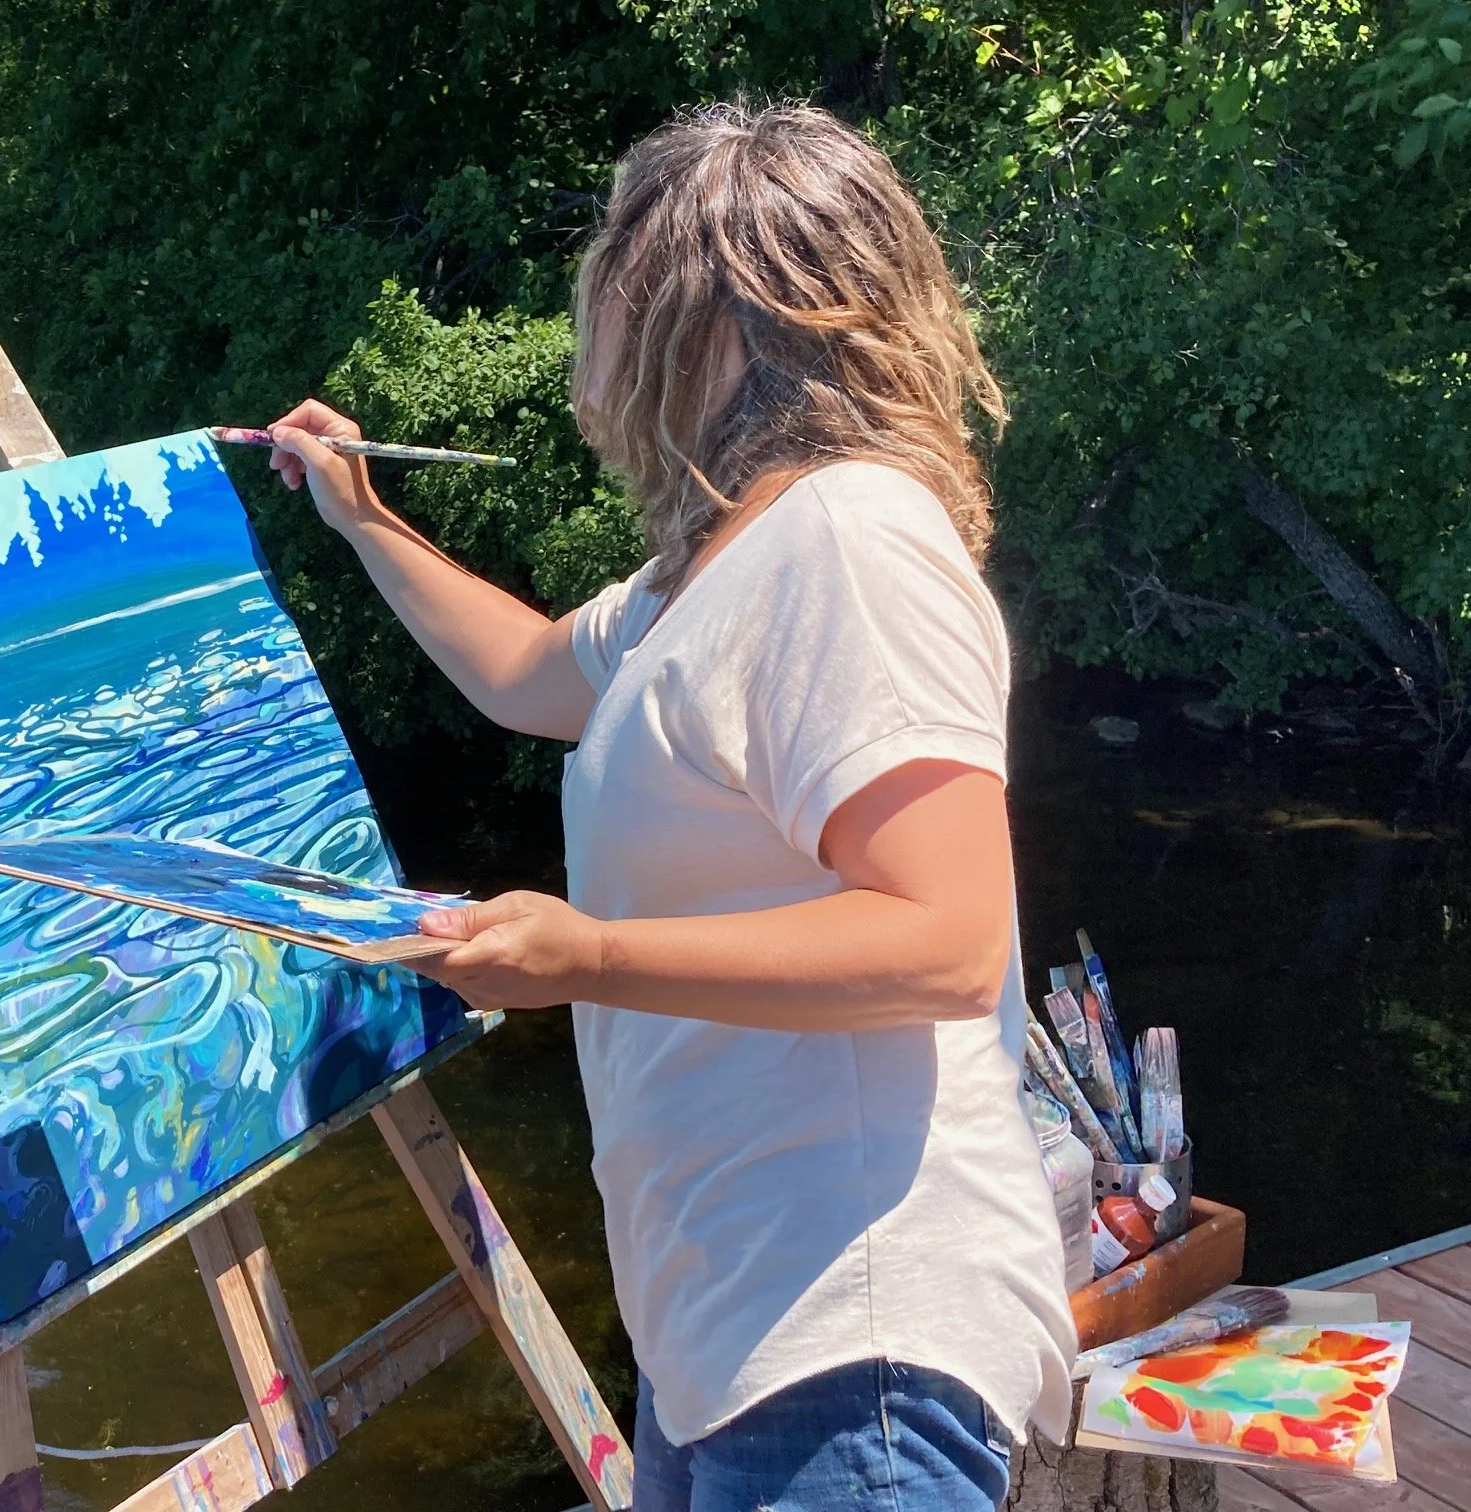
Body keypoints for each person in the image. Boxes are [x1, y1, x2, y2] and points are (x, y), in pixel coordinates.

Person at [265, 100, 1075, 1512]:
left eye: (628, 297)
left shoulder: (850, 539)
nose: (604, 346)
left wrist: (584, 958)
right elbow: (524, 673)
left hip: (853, 1353)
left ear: (726, 321)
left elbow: (947, 940)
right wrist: (357, 511)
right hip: (728, 1336)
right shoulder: (703, 576)